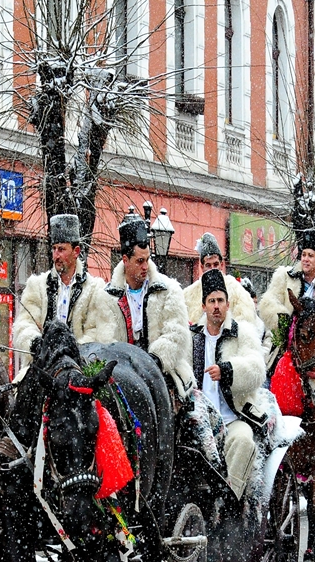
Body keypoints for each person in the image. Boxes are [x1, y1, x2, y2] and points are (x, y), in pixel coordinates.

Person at [189, 270, 267, 501]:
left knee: (244, 441)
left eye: (220, 301)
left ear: (228, 304)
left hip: (233, 419)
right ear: (203, 306)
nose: (216, 306)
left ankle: (231, 501)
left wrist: (228, 370)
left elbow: (257, 370)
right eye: (211, 301)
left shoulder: (241, 333)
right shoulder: (193, 337)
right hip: (199, 423)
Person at [104, 208, 195, 401]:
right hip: (120, 376)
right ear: (125, 260)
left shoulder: (168, 289)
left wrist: (153, 360)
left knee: (191, 421)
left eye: (147, 260)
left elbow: (177, 333)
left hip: (165, 372)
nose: (145, 266)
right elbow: (104, 339)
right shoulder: (106, 297)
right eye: (139, 261)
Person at [13, 213, 115, 370]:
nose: (56, 255)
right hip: (41, 368)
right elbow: (24, 324)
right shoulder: (37, 286)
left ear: (76, 251)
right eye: (54, 249)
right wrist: (36, 344)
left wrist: (69, 354)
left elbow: (98, 333)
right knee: (17, 392)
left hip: (80, 369)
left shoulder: (95, 290)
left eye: (61, 249)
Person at [260, 228, 315, 370]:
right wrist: (286, 325)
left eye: (310, 256)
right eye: (303, 254)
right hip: (282, 349)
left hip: (314, 353)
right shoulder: (285, 277)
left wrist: (313, 331)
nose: (305, 259)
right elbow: (268, 303)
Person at [182, 233, 258, 326]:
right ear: (202, 267)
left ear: (221, 265)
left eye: (216, 264)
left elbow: (246, 322)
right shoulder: (189, 295)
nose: (212, 268)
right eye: (208, 265)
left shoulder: (236, 291)